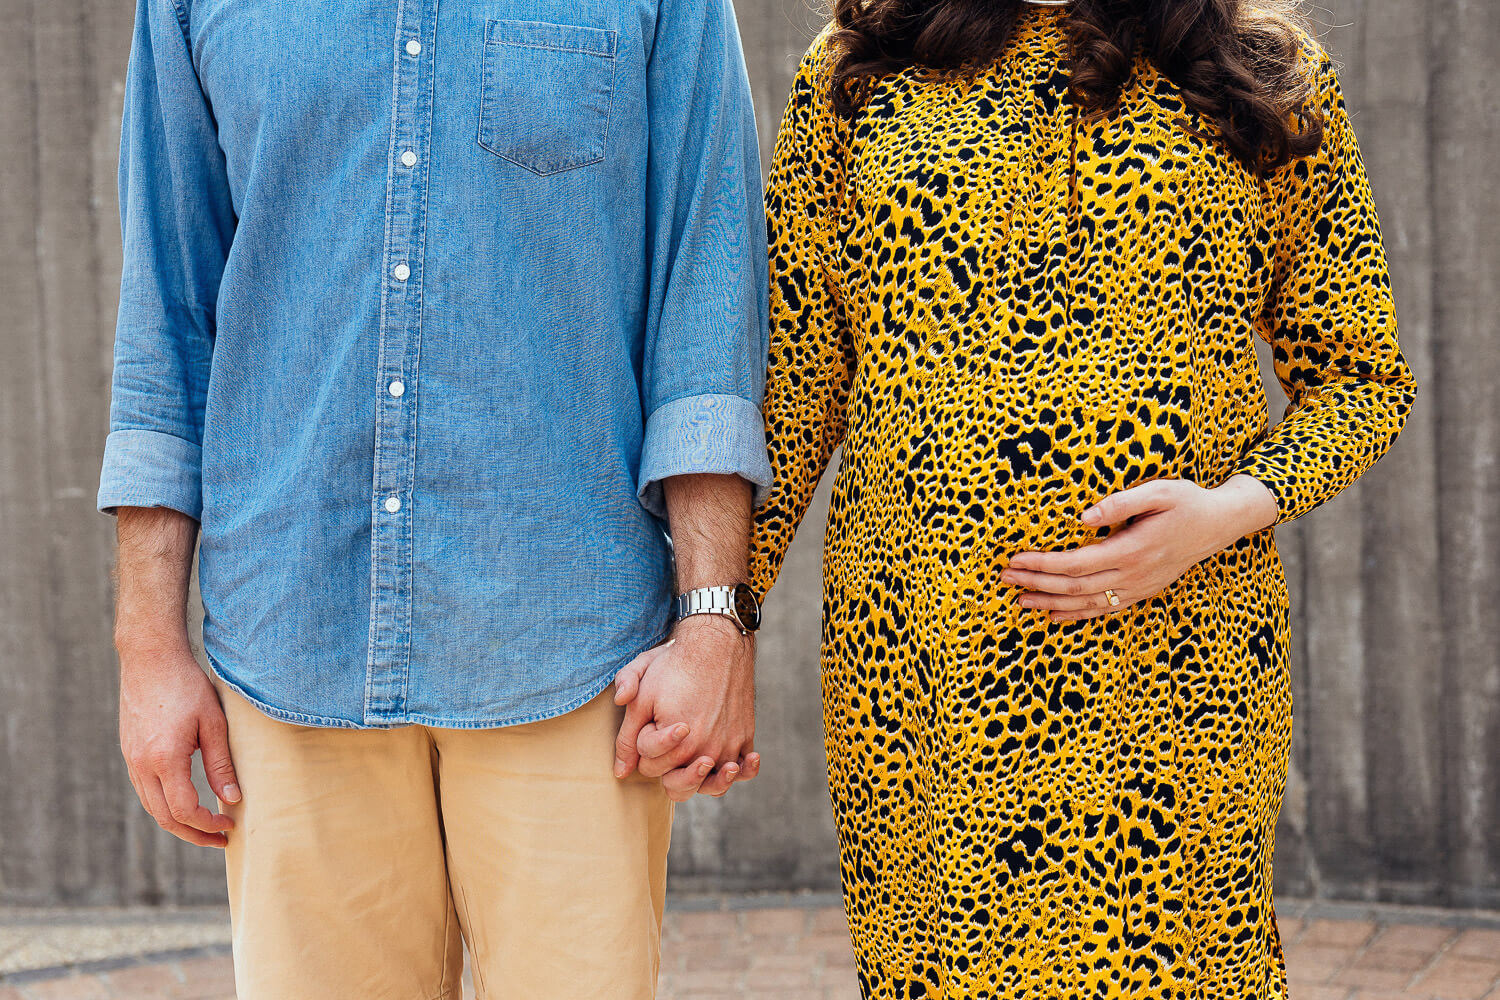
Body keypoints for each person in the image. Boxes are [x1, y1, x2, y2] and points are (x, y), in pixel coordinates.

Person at [100, 0, 770, 996]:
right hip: (293, 636)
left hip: (576, 654)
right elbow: (168, 308)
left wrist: (715, 616)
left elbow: (704, 297)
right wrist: (146, 644)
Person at [748, 0, 1416, 996]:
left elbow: (1365, 380)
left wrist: (1222, 512)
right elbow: (794, 391)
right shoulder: (859, 73)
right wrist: (712, 614)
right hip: (927, 673)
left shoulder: (1253, 69)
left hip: (1184, 665)